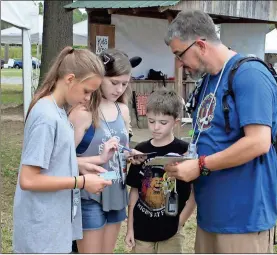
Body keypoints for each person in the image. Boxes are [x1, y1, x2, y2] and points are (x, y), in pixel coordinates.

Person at [164, 10, 277, 253]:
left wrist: (200, 165)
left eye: (179, 54)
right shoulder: (208, 80)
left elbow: (259, 142)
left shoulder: (250, 75)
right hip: (212, 217)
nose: (179, 63)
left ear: (201, 45)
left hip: (242, 220)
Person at [12, 46, 113, 253]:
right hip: (41, 233)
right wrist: (82, 182)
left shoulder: (57, 112)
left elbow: (52, 162)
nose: (87, 98)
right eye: (87, 91)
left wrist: (82, 166)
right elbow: (29, 179)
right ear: (70, 79)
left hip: (53, 227)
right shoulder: (46, 118)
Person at [68, 49, 143, 253]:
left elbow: (120, 150)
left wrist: (131, 154)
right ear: (100, 78)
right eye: (114, 82)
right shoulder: (82, 113)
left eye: (124, 84)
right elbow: (64, 160)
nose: (119, 89)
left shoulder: (123, 110)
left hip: (116, 191)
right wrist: (98, 158)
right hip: (89, 194)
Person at [125, 89, 196, 253]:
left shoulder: (185, 151)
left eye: (163, 123)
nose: (156, 127)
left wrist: (180, 222)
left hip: (172, 231)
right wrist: (130, 228)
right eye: (151, 121)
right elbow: (134, 190)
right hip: (141, 230)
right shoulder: (141, 150)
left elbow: (194, 192)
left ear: (175, 122)